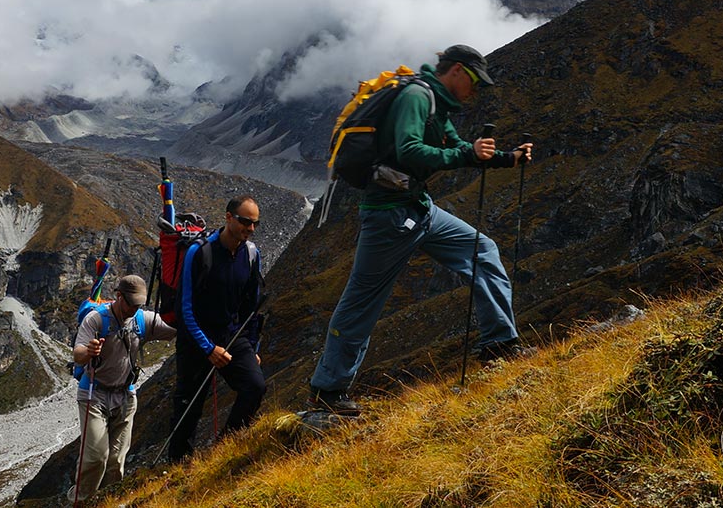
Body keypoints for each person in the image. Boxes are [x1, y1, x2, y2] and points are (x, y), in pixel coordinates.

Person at [308, 45, 533, 416]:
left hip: (419, 208)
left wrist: (507, 158)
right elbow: (410, 150)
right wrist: (466, 155)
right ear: (458, 71)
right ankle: (327, 389)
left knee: (482, 250)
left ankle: (499, 344)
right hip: (389, 216)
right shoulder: (416, 96)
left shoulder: (436, 103)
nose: (476, 90)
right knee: (362, 301)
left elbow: (460, 147)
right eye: (475, 81)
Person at [167, 195, 266, 462]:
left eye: (255, 223)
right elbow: (184, 308)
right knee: (189, 404)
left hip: (232, 334)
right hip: (195, 338)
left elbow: (251, 306)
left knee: (255, 386)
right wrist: (208, 348)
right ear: (229, 218)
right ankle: (178, 464)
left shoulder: (252, 254)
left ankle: (224, 448)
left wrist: (252, 346)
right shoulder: (199, 252)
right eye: (245, 221)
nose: (250, 228)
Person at [70, 274, 175, 503]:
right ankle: (79, 501)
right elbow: (77, 355)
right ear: (119, 296)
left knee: (117, 460)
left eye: (139, 304)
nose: (135, 308)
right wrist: (89, 351)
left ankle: (109, 501)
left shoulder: (142, 319)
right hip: (93, 394)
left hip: (125, 395)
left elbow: (175, 329)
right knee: (96, 457)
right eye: (131, 303)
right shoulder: (96, 320)